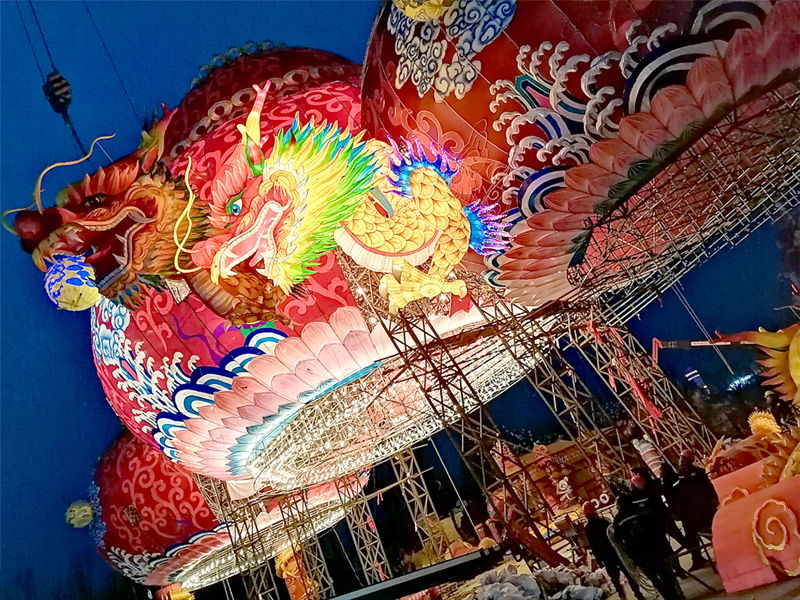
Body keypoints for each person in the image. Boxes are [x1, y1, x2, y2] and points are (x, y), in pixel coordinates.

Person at [610, 478, 687, 600]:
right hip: (654, 549)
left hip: (640, 555)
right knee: (665, 574)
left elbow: (619, 540)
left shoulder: (618, 521)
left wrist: (632, 556)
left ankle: (669, 597)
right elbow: (653, 527)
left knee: (655, 579)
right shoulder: (640, 512)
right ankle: (676, 595)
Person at [582, 501, 644, 600]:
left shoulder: (588, 528)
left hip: (606, 556)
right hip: (616, 552)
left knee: (615, 578)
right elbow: (615, 535)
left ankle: (622, 595)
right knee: (628, 573)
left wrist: (599, 560)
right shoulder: (603, 522)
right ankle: (638, 594)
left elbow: (593, 545)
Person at [672, 450, 719, 569]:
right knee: (691, 536)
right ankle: (697, 559)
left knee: (710, 531)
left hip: (702, 508)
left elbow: (708, 486)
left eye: (682, 459)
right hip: (689, 510)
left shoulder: (698, 472)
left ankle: (722, 550)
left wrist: (713, 499)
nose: (680, 461)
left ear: (688, 460)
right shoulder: (679, 474)